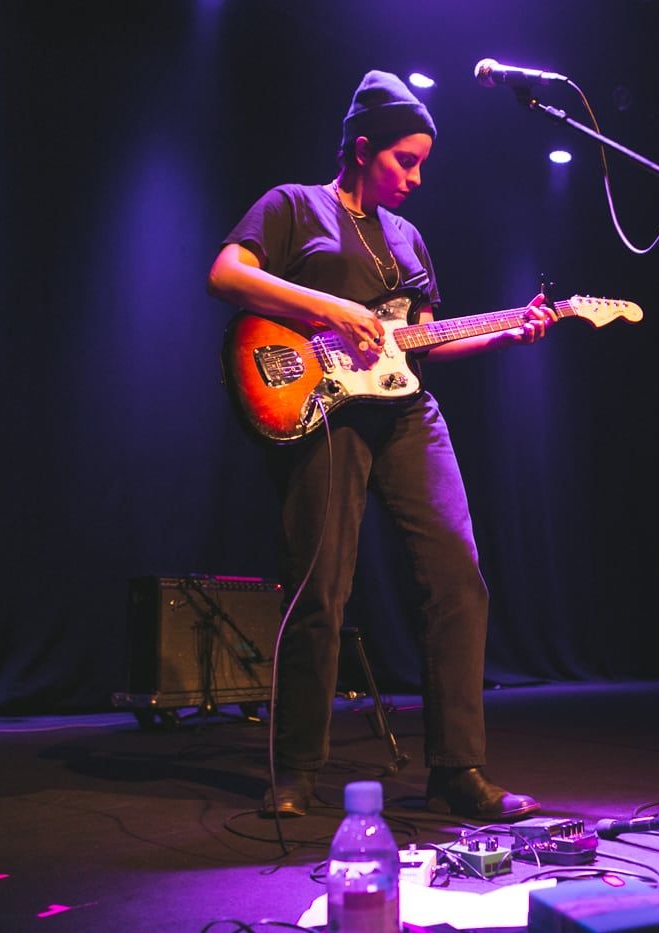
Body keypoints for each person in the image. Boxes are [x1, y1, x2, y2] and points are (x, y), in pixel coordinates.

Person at [206, 70, 552, 821]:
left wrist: (503, 333)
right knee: (320, 585)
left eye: (422, 162)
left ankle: (458, 768)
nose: (417, 177)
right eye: (405, 160)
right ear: (363, 150)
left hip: (404, 413)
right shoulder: (295, 206)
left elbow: (419, 344)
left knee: (458, 573)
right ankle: (295, 767)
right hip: (324, 409)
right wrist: (328, 305)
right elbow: (227, 273)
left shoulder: (408, 238)